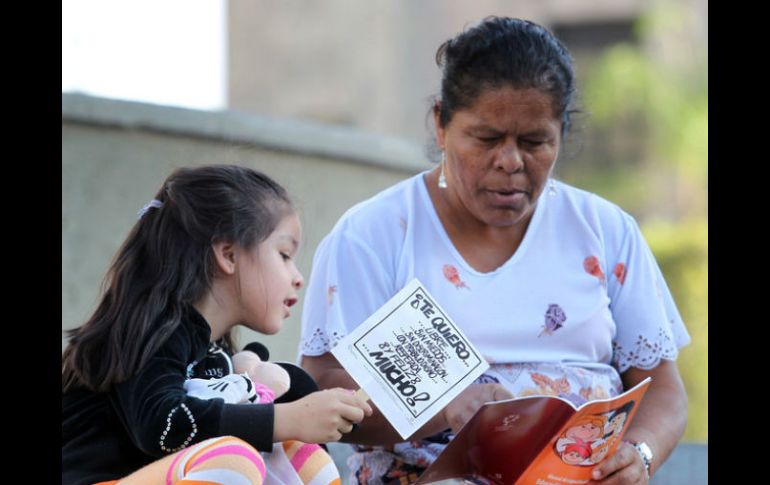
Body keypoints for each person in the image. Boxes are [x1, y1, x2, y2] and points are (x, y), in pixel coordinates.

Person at [298, 16, 690, 485]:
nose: (510, 162)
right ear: (441, 125)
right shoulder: (372, 236)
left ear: (560, 134)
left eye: (534, 142)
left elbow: (662, 387)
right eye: (486, 139)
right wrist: (442, 408)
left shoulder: (605, 230)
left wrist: (638, 455)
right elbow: (322, 385)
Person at [62, 164, 372, 485]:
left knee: (300, 453)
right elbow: (163, 426)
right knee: (233, 460)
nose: (298, 277)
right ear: (229, 255)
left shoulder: (213, 351)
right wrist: (288, 418)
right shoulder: (152, 328)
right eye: (284, 254)